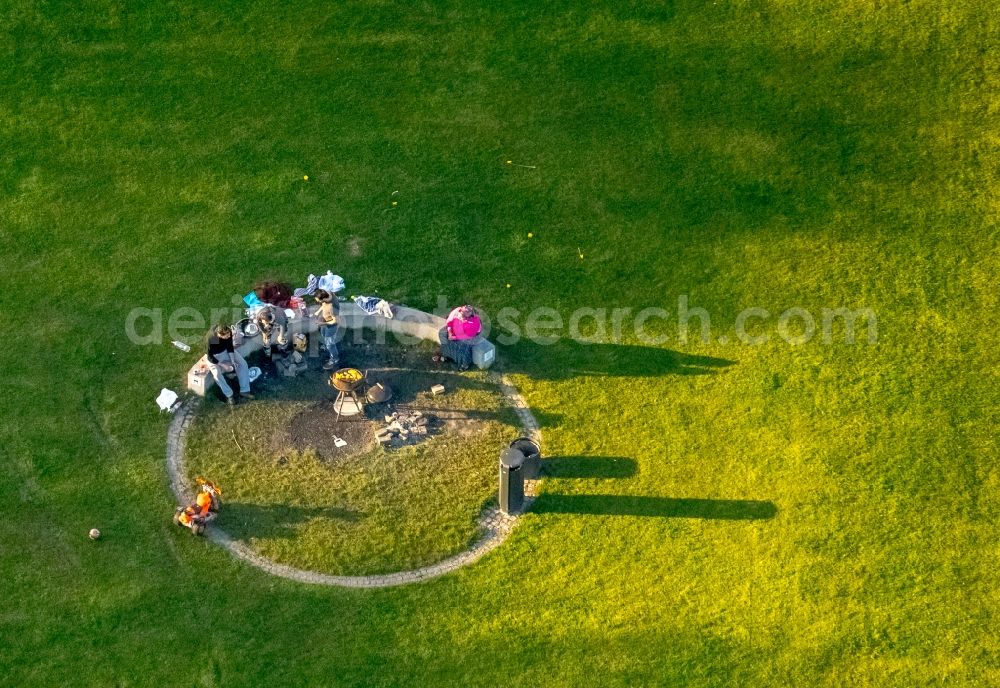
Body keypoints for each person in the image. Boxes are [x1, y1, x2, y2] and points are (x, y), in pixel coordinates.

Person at [206, 324, 253, 405]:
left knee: (243, 363)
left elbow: (229, 347)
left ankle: (244, 390)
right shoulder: (213, 338)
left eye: (229, 335)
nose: (228, 337)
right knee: (217, 375)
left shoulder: (228, 332)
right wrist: (224, 365)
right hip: (214, 357)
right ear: (219, 335)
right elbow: (210, 357)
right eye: (226, 336)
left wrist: (232, 360)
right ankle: (229, 395)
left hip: (225, 352)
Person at [435, 305, 481, 370]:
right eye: (460, 315)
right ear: (460, 310)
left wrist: (455, 337)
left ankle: (465, 365)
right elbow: (449, 321)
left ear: (470, 317)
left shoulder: (474, 323)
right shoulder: (457, 311)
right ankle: (446, 354)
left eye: (463, 318)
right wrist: (450, 332)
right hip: (457, 328)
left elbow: (467, 335)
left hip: (470, 335)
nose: (460, 318)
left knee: (463, 347)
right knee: (442, 333)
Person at [313, 289, 340, 370]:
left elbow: (335, 321)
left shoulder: (332, 307)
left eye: (318, 301)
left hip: (331, 326)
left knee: (330, 344)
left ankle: (334, 359)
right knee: (323, 335)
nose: (318, 302)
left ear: (323, 299)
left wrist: (322, 324)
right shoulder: (328, 293)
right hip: (325, 322)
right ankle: (326, 346)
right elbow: (323, 304)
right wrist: (318, 312)